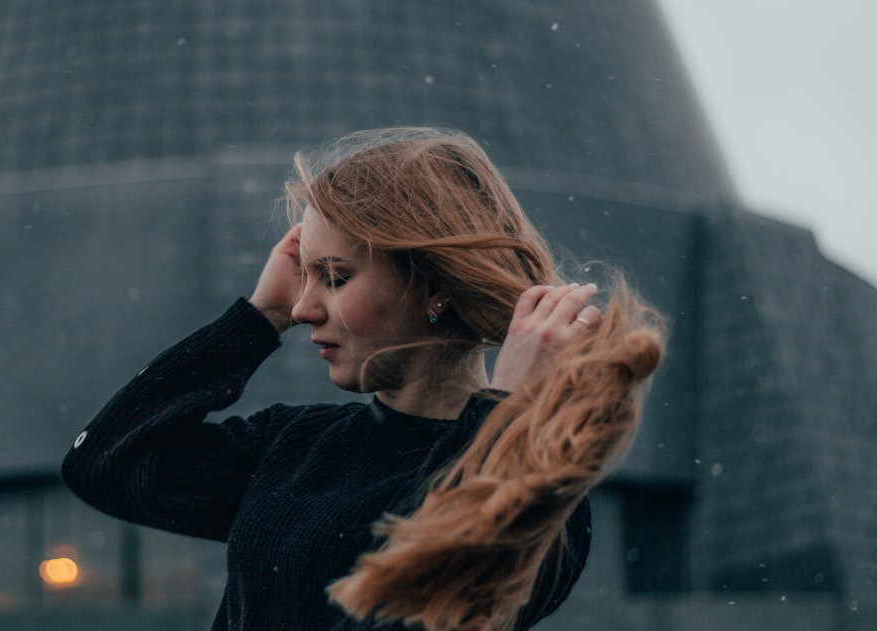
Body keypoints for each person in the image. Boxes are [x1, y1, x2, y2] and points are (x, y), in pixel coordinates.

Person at [62, 127, 664, 630]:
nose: (302, 309)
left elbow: (404, 611)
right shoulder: (294, 444)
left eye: (335, 276)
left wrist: (504, 413)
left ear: (434, 287)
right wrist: (255, 319)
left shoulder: (536, 492)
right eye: (306, 276)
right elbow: (105, 467)